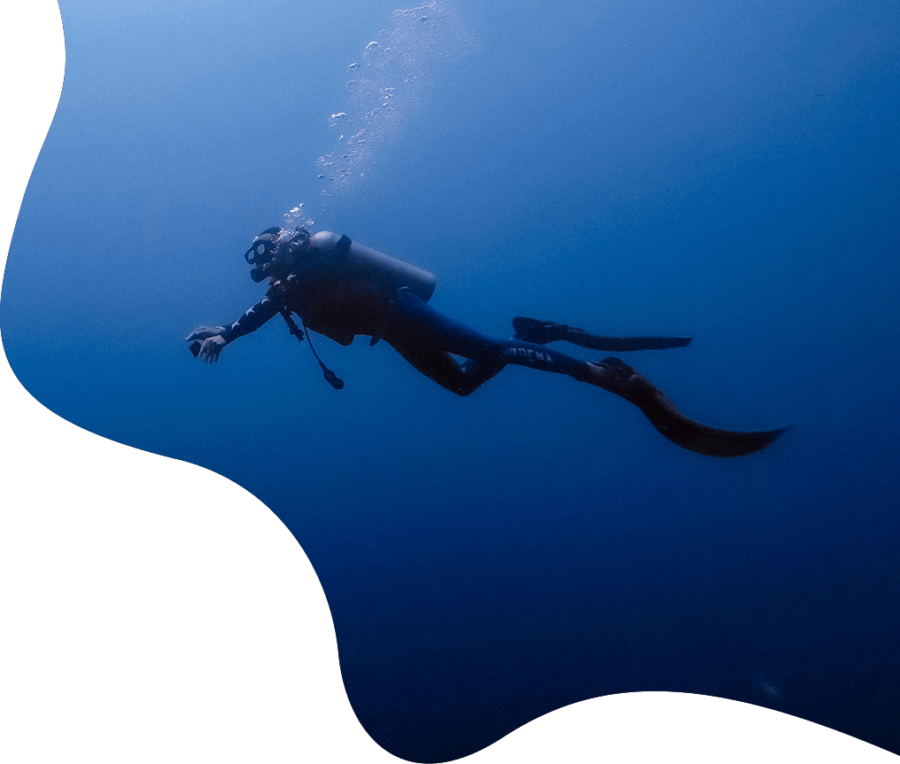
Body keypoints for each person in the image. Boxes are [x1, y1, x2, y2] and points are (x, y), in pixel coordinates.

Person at [186, 226, 788, 457]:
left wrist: (309, 251)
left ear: (285, 246)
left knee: (491, 354)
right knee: (465, 384)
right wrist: (226, 334)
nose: (271, 271)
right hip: (389, 334)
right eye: (266, 266)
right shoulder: (285, 290)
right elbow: (257, 314)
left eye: (273, 257)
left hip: (399, 311)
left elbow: (334, 255)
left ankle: (613, 378)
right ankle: (534, 334)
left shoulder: (314, 259)